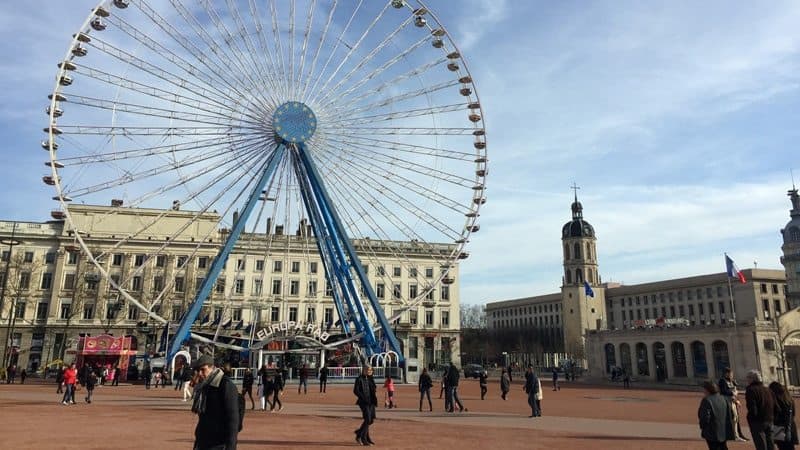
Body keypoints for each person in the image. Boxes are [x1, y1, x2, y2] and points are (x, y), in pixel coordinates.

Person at [191, 355, 240, 450]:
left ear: (212, 367)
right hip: (204, 441)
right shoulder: (204, 386)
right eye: (198, 370)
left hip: (219, 443)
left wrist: (231, 447)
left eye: (203, 369)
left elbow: (233, 420)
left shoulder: (225, 385)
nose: (200, 373)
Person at [698, 380, 735, 450]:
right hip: (724, 430)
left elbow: (705, 417)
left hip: (712, 431)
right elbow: (731, 414)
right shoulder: (724, 398)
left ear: (707, 390)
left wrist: (703, 426)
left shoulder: (706, 400)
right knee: (723, 447)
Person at [745, 369, 775, 450]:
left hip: (758, 421)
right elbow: (773, 404)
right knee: (771, 444)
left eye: (748, 378)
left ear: (752, 379)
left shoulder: (751, 390)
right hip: (770, 419)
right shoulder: (768, 389)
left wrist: (751, 418)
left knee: (761, 445)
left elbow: (752, 408)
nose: (747, 380)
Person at [718, 367, 748, 442]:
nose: (732, 376)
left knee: (735, 418)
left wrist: (736, 398)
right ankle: (734, 435)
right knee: (733, 418)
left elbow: (734, 390)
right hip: (727, 402)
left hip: (733, 401)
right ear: (726, 374)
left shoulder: (732, 381)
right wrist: (732, 393)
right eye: (731, 374)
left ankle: (736, 434)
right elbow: (723, 391)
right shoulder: (722, 381)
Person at [769, 381, 798, 450]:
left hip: (779, 427)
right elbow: (792, 414)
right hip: (789, 427)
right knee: (790, 447)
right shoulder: (789, 400)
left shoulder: (776, 401)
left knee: (782, 447)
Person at [353, 365, 377, 446]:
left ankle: (360, 434)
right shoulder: (359, 379)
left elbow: (373, 390)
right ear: (364, 370)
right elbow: (356, 391)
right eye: (368, 370)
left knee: (371, 420)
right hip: (363, 402)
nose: (369, 372)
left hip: (371, 402)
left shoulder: (371, 379)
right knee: (367, 419)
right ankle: (363, 438)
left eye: (370, 370)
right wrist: (363, 397)